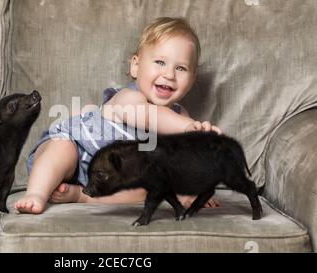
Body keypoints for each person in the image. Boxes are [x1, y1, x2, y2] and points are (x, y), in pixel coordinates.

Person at [15, 17, 222, 214]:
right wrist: (188, 127)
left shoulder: (180, 116)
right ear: (136, 66)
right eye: (160, 62)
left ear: (192, 79)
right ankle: (37, 193)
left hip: (110, 177)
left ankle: (82, 196)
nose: (169, 74)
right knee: (62, 147)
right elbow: (150, 116)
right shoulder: (128, 98)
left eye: (180, 68)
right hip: (76, 152)